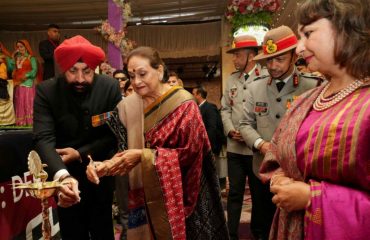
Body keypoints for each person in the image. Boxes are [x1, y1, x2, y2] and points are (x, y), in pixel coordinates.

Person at [86, 46, 229, 239]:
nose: (136, 82)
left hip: (181, 194)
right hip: (142, 193)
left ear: (160, 71)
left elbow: (192, 153)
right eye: (131, 75)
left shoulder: (184, 104)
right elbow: (120, 146)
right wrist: (106, 164)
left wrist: (143, 156)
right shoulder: (129, 106)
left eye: (143, 74)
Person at [259, 0, 370, 239]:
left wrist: (312, 198)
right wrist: (278, 179)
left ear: (347, 29)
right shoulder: (306, 100)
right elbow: (275, 155)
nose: (299, 49)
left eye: (308, 33)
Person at [33, 35, 122, 240]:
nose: (80, 79)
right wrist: (63, 177)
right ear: (64, 69)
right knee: (72, 232)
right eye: (73, 71)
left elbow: (114, 134)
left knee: (102, 232)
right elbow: (43, 138)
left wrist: (79, 153)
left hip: (100, 172)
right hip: (64, 173)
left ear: (95, 69)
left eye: (87, 71)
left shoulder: (109, 87)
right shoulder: (47, 91)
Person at [238, 25, 322, 240]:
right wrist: (261, 144)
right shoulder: (254, 87)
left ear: (294, 56)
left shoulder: (312, 86)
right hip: (262, 169)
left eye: (280, 59)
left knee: (295, 222)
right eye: (269, 60)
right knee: (261, 222)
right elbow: (245, 124)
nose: (273, 66)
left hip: (298, 172)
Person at [221, 34, 269, 240]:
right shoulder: (232, 79)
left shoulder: (266, 77)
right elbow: (224, 109)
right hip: (234, 148)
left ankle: (258, 233)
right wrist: (231, 130)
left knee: (259, 195)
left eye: (237, 55)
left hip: (256, 149)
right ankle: (230, 233)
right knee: (234, 194)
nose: (234, 59)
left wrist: (251, 136)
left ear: (251, 56)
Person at [192, 85, 227, 187]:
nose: (192, 96)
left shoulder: (210, 107)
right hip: (200, 147)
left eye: (193, 94)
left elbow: (212, 129)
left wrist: (207, 146)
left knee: (214, 174)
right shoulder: (196, 108)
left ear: (199, 95)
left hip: (209, 146)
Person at [8, 40, 38, 126]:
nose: (19, 48)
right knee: (20, 101)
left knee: (28, 102)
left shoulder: (31, 58)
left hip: (27, 82)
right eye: (18, 47)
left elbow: (35, 70)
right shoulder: (17, 58)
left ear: (26, 47)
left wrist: (26, 75)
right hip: (18, 83)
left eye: (21, 46)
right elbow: (11, 68)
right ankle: (21, 122)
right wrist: (12, 56)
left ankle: (30, 121)